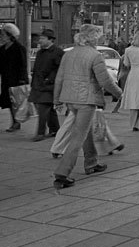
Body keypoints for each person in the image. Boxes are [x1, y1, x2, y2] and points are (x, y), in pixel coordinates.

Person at [51, 24, 122, 191]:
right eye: (99, 37)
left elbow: (59, 78)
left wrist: (56, 99)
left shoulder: (69, 54)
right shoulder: (95, 55)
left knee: (85, 129)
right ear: (93, 39)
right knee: (78, 136)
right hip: (86, 100)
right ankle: (62, 173)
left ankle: (91, 162)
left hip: (70, 98)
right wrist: (119, 93)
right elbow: (105, 81)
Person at [0, 22, 29, 132]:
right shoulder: (3, 49)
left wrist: (23, 79)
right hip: (6, 79)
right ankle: (15, 121)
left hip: (16, 79)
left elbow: (23, 65)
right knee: (8, 101)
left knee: (16, 102)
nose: (2, 37)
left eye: (4, 35)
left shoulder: (19, 48)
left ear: (10, 35)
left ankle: (17, 122)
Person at [28, 29, 63, 142]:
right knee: (48, 109)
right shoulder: (40, 52)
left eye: (43, 38)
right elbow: (37, 69)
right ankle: (55, 129)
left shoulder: (58, 52)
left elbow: (60, 69)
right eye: (40, 38)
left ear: (50, 40)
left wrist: (50, 79)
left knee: (43, 108)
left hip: (50, 86)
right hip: (38, 85)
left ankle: (40, 133)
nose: (40, 41)